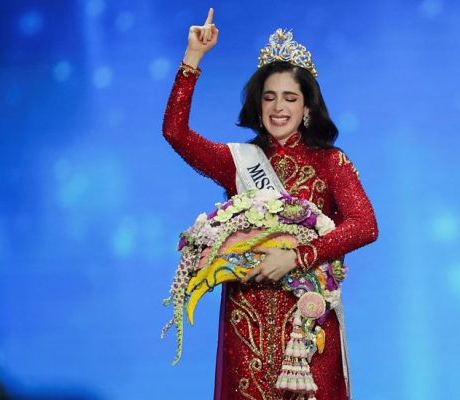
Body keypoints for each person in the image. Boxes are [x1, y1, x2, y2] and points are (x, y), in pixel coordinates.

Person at [162, 8, 378, 400]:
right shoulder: (238, 162)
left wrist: (298, 256)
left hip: (307, 320)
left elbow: (365, 225)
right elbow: (175, 132)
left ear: (307, 107)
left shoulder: (331, 162)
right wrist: (193, 57)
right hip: (247, 317)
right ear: (258, 106)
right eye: (269, 97)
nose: (279, 107)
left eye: (290, 98)